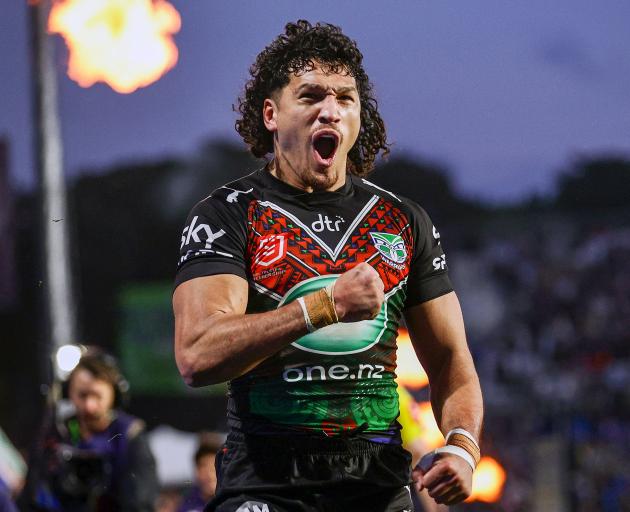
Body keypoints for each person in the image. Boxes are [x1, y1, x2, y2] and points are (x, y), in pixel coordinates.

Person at [173, 20, 483, 511]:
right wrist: (325, 306)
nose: (330, 111)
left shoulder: (402, 220)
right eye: (311, 96)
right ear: (271, 114)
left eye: (345, 97)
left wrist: (463, 447)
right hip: (265, 484)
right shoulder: (228, 213)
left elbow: (448, 358)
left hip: (377, 483)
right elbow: (196, 355)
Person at [36, 350, 159, 511]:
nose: (89, 406)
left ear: (114, 394)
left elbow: (141, 503)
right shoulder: (62, 432)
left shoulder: (128, 434)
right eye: (82, 395)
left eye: (97, 396)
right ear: (68, 393)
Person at [177, 440, 220, 512]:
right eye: (205, 470)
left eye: (213, 469)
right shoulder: (187, 506)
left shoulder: (236, 502)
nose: (210, 476)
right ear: (197, 472)